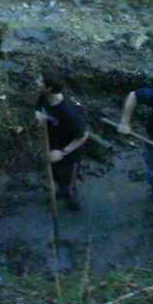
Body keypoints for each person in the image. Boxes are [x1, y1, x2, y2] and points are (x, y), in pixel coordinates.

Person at [35, 71, 89, 211]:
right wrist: (39, 116)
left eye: (40, 81)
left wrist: (62, 153)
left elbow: (83, 135)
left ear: (50, 88)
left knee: (69, 181)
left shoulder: (67, 111)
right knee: (56, 175)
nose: (37, 82)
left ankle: (71, 198)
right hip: (53, 144)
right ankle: (62, 191)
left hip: (69, 153)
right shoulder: (45, 97)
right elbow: (37, 108)